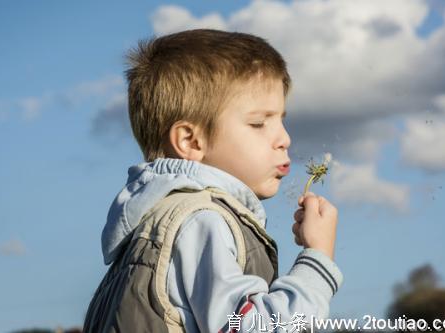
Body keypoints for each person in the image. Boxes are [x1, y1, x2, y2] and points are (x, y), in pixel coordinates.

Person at [83, 28, 343, 333]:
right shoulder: (200, 221)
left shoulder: (156, 224)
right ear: (191, 141)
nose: (284, 138)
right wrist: (317, 257)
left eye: (281, 120)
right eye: (259, 123)